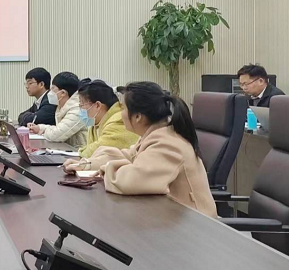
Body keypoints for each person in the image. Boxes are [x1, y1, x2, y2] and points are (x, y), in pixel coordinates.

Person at [64, 82, 216, 218]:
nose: (120, 114)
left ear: (138, 116)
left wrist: (105, 169)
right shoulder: (154, 134)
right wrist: (87, 165)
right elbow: (126, 155)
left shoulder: (168, 144)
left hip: (197, 227)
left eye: (123, 108)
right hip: (171, 218)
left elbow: (131, 180)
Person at [69, 79, 138, 158]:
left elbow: (98, 151)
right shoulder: (95, 123)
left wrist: (82, 152)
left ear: (97, 105)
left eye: (82, 105)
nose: (80, 109)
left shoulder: (118, 121)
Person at [27, 71, 87, 146]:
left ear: (63, 93)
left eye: (53, 89)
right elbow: (59, 128)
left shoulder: (78, 110)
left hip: (80, 151)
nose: (50, 92)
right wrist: (40, 128)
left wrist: (43, 131)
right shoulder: (61, 106)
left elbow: (56, 136)